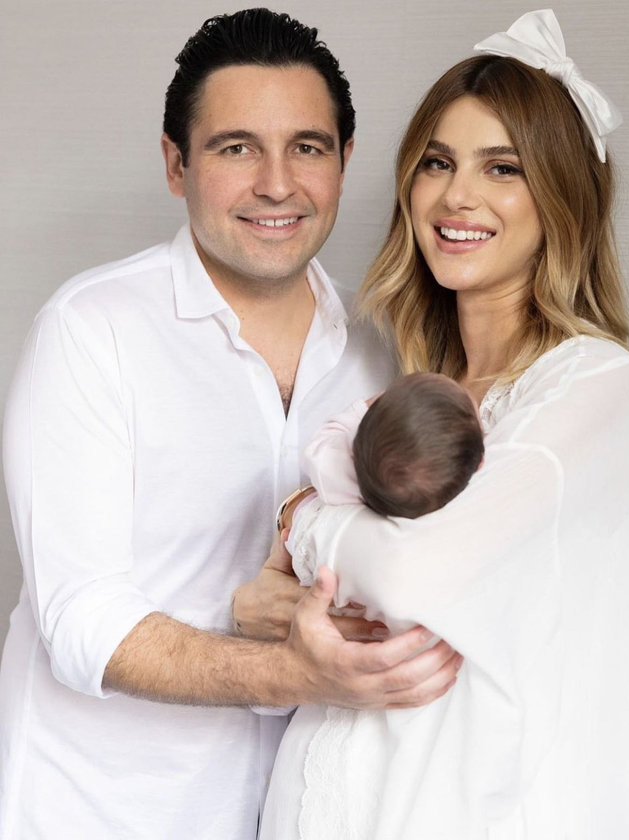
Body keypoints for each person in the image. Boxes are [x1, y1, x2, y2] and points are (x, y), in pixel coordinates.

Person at [0, 9, 461, 840]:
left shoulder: (382, 348)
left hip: (295, 815)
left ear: (345, 160)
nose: (277, 184)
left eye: (307, 147)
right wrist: (292, 670)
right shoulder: (91, 330)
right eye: (236, 147)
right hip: (94, 814)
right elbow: (79, 622)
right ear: (176, 164)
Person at [256, 10, 629, 839]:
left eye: (501, 168)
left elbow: (407, 578)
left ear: (561, 199)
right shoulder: (406, 390)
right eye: (436, 162)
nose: (455, 196)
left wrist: (300, 520)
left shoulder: (595, 387)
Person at [279, 372, 483, 532]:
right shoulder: (440, 503)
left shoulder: (339, 466)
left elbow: (318, 447)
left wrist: (365, 407)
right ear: (479, 464)